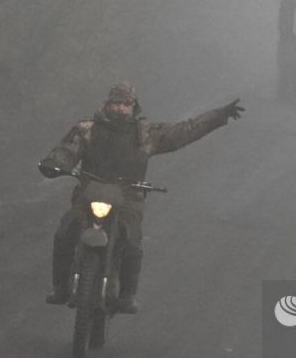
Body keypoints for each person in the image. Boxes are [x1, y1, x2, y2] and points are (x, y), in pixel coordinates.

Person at [38, 82, 244, 313]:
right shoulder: (87, 129)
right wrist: (54, 164)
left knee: (132, 243)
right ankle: (60, 287)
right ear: (106, 104)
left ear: (133, 107)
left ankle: (127, 294)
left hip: (128, 197)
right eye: (115, 103)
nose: (119, 108)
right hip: (88, 192)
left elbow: (184, 132)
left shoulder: (146, 134)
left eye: (125, 104)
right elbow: (67, 151)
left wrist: (218, 116)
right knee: (65, 231)